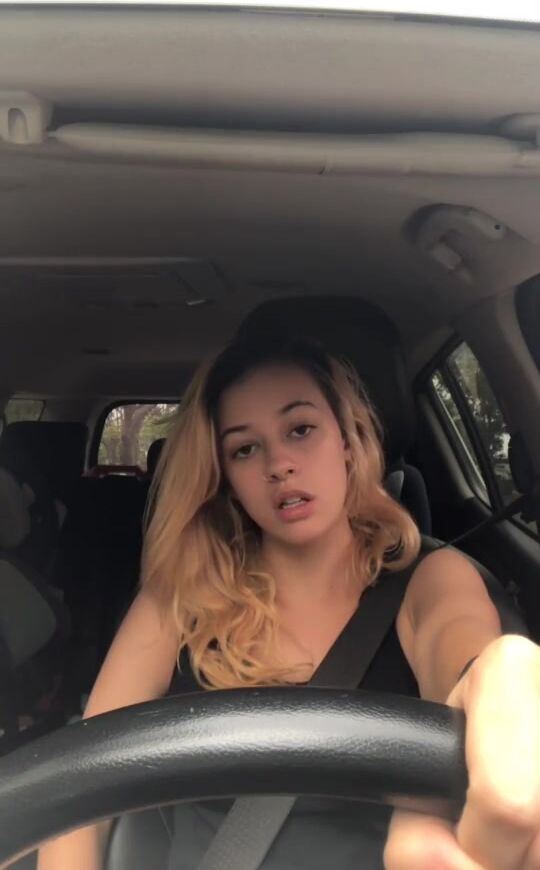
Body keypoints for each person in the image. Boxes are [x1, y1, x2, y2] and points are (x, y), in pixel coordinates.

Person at [37, 334, 540, 870]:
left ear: (347, 439)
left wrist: (493, 681)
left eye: (300, 429)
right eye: (245, 449)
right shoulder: (178, 599)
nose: (278, 464)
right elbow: (83, 785)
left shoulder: (431, 578)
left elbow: (462, 651)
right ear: (226, 479)